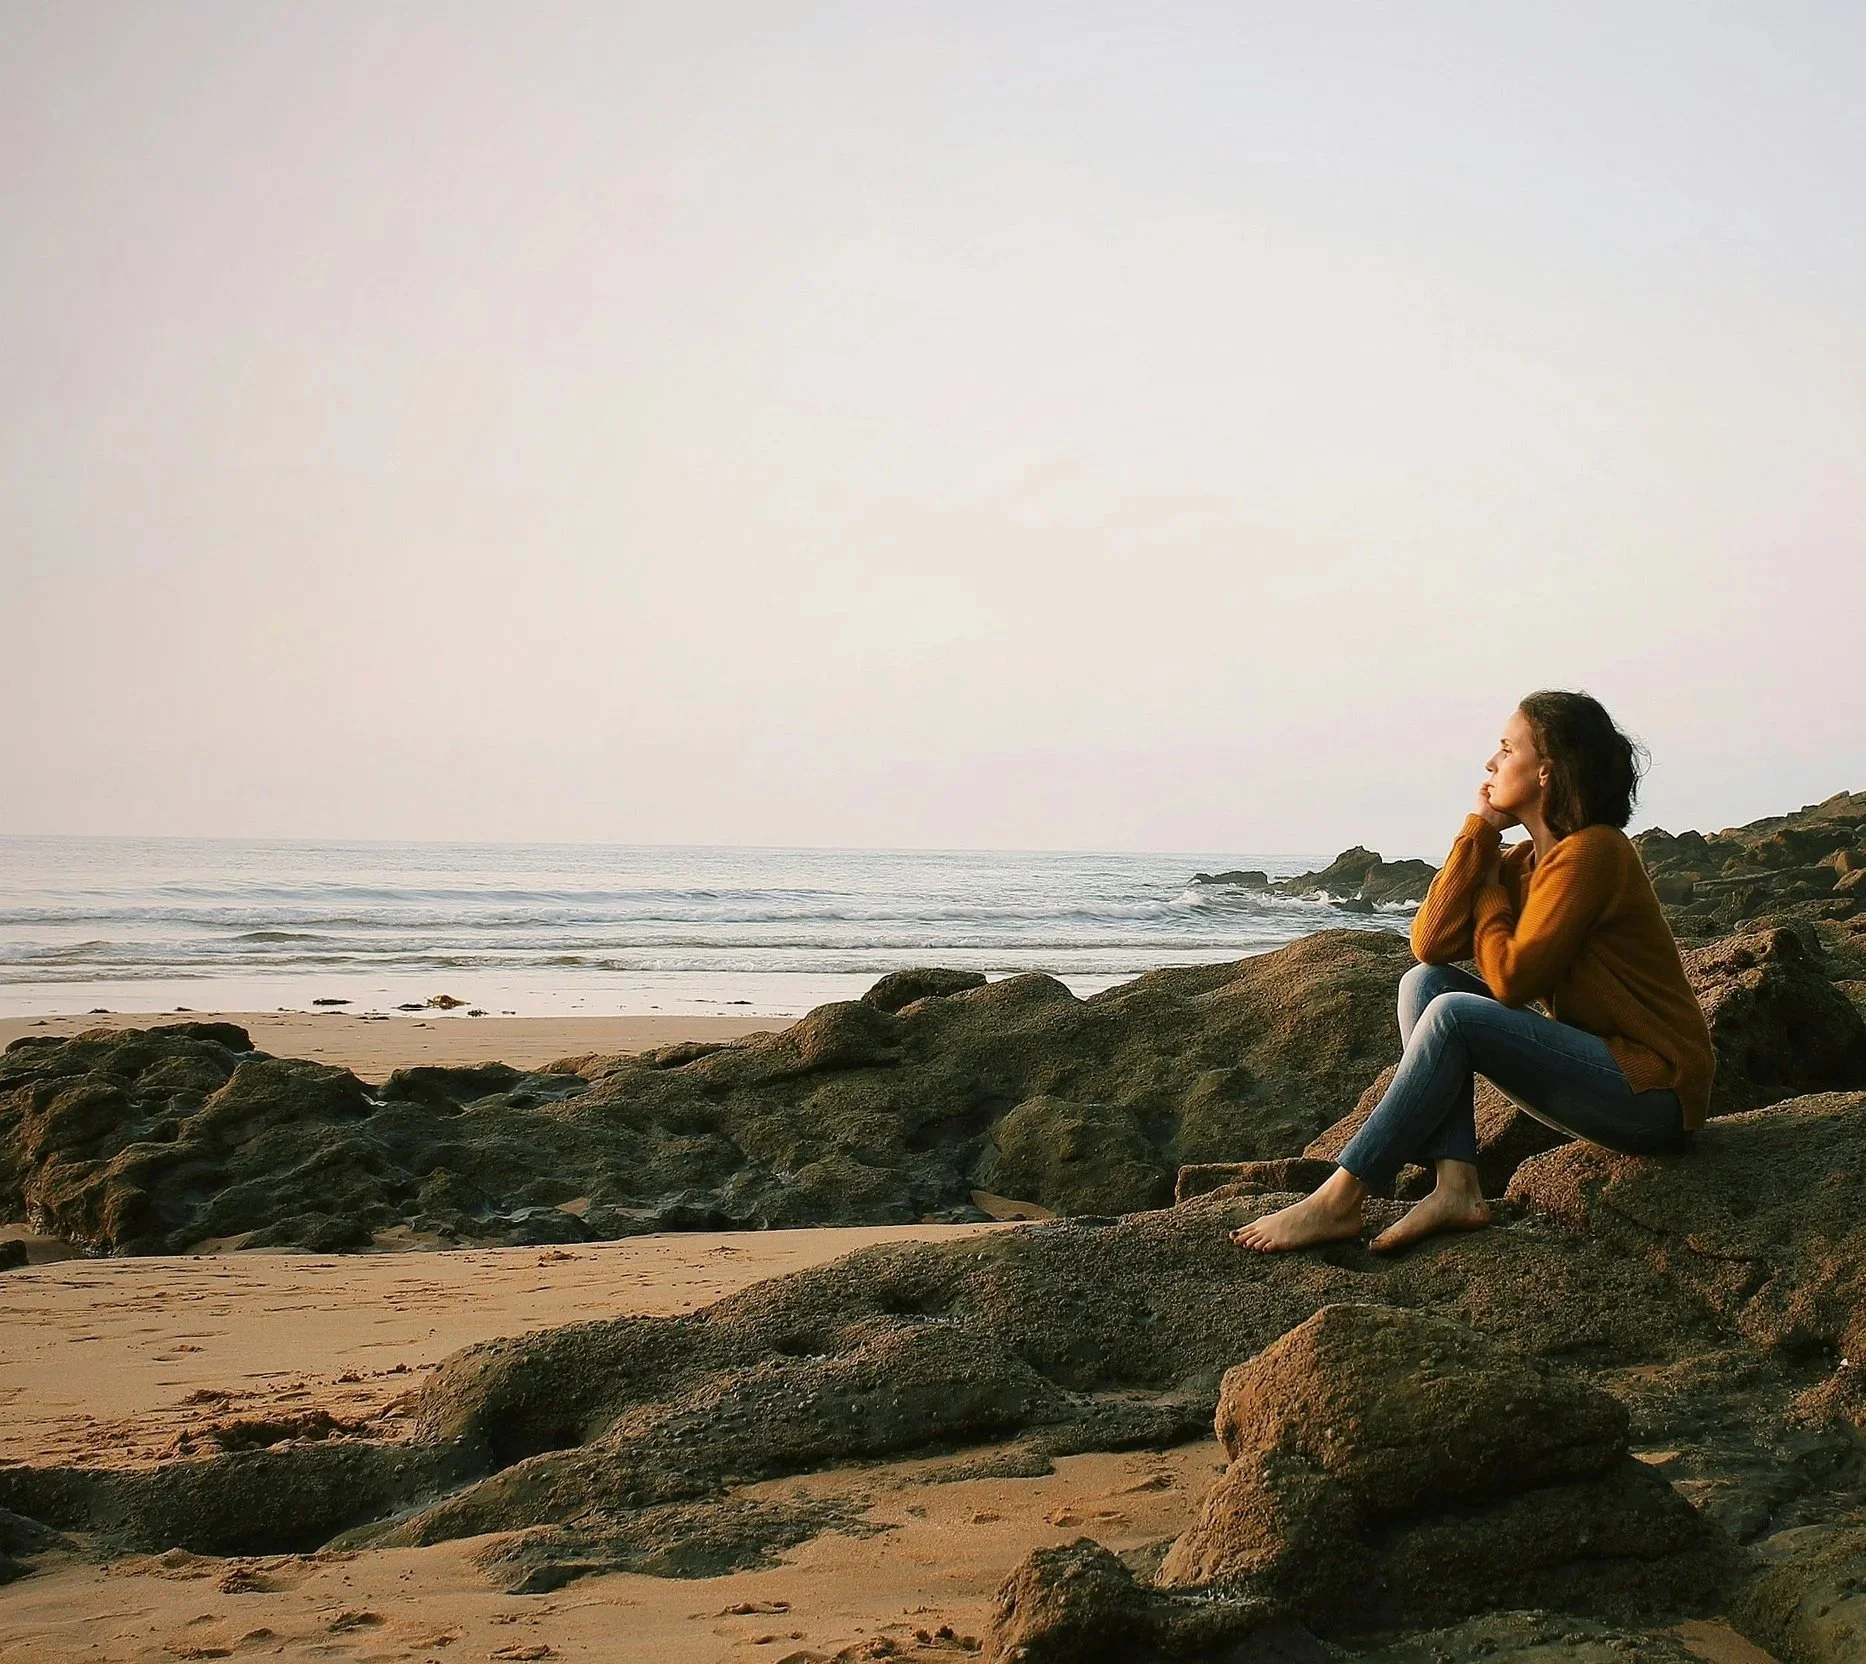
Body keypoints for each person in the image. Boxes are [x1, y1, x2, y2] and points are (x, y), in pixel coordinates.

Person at [1233, 690, 1715, 1254]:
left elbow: (1511, 981)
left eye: (1507, 748)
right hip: (1602, 1069)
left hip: (1654, 1093)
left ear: (1545, 772)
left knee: (1454, 1015)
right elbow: (1430, 945)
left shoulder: (1596, 853)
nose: (1490, 763)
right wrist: (1479, 834)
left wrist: (1487, 894)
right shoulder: (1522, 863)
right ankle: (1456, 1184)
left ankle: (1341, 1197)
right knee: (1425, 984)